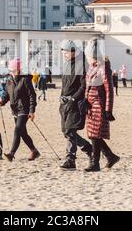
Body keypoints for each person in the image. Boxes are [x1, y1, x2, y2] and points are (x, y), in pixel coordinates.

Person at [84, 40, 120, 172]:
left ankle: (95, 163)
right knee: (93, 134)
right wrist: (84, 100)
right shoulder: (91, 67)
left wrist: (108, 110)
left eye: (89, 57)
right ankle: (110, 157)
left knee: (95, 134)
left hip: (99, 105)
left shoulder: (104, 68)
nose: (88, 60)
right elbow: (88, 86)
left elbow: (109, 90)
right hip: (90, 106)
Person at [59, 40, 93, 171]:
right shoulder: (67, 64)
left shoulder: (81, 64)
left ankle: (70, 159)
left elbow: (83, 86)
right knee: (66, 131)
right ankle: (88, 148)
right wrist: (62, 97)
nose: (64, 54)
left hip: (75, 103)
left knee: (69, 130)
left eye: (66, 52)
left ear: (73, 52)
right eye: (63, 52)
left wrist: (73, 99)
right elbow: (66, 84)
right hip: (64, 104)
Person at [0, 58, 40, 162]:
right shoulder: (9, 80)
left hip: (24, 109)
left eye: (14, 71)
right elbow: (8, 94)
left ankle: (11, 153)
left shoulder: (25, 80)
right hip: (15, 110)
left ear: (20, 70)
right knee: (22, 133)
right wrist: (2, 102)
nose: (13, 73)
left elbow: (32, 96)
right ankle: (34, 151)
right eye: (11, 71)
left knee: (17, 130)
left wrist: (32, 111)